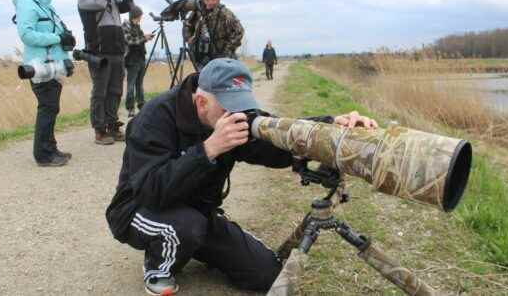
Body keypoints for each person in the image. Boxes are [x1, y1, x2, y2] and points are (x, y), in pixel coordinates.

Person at [105, 58, 378, 295]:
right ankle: (158, 265)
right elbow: (150, 190)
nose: (238, 116)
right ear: (201, 102)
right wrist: (209, 149)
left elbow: (276, 140)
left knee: (266, 274)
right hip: (139, 210)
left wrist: (331, 126)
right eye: (228, 108)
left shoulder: (235, 115)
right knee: (185, 227)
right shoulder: (154, 117)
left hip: (199, 212)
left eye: (242, 106)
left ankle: (192, 243)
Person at [13, 0, 75, 167]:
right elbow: (26, 35)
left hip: (55, 66)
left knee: (52, 107)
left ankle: (51, 148)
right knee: (47, 108)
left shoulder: (46, 5)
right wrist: (58, 38)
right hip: (39, 66)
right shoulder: (27, 2)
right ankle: (43, 154)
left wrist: (65, 39)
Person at [78, 0, 133, 145]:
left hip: (117, 51)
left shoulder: (113, 1)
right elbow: (100, 3)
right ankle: (99, 129)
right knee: (100, 93)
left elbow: (128, 6)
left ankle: (112, 125)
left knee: (115, 91)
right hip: (99, 52)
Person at [163, 0, 245, 70]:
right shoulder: (198, 12)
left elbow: (239, 31)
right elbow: (187, 25)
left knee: (223, 83)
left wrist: (227, 52)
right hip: (205, 60)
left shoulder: (225, 13)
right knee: (205, 83)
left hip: (224, 62)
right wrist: (189, 39)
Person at [122, 5, 153, 118]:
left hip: (141, 59)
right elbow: (130, 41)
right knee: (131, 86)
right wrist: (144, 38)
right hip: (131, 60)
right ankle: (130, 108)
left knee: (139, 85)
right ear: (135, 15)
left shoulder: (137, 27)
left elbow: (139, 41)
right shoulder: (125, 26)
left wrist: (146, 37)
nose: (140, 18)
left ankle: (141, 105)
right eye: (140, 16)